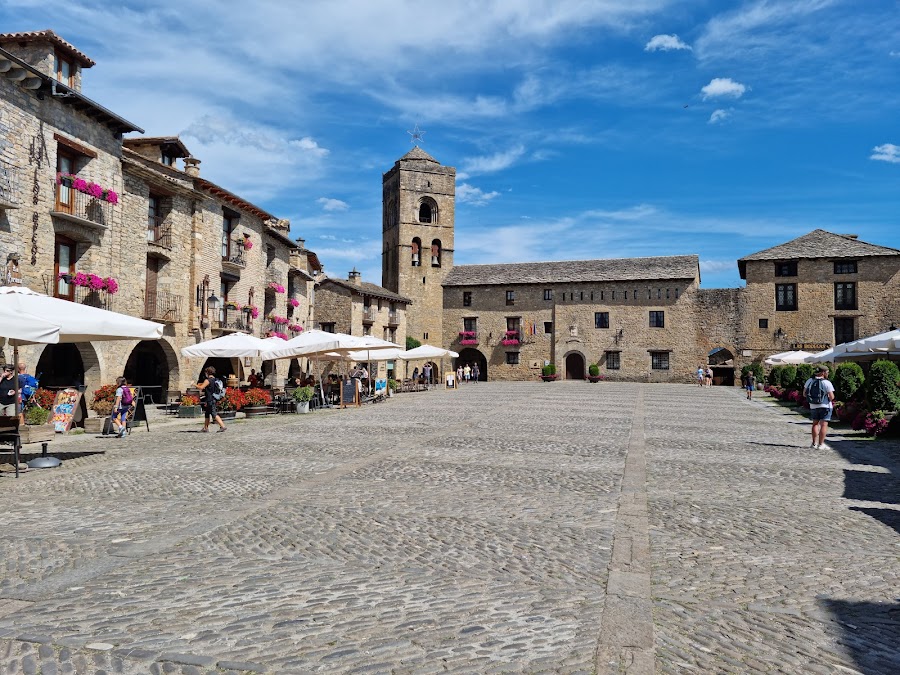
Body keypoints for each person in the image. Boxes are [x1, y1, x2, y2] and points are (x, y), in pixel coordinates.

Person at [803, 365, 835, 450]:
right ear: (823, 373)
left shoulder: (810, 380)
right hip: (825, 406)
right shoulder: (827, 382)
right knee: (824, 425)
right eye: (827, 372)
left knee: (815, 424)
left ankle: (814, 443)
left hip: (813, 405)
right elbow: (832, 397)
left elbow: (804, 393)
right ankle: (821, 444)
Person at [197, 366, 227, 433]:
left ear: (207, 372)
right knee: (207, 414)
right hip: (213, 398)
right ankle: (205, 428)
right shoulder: (215, 380)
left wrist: (194, 384)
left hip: (210, 399)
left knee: (213, 413)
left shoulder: (208, 380)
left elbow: (201, 387)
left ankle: (222, 426)